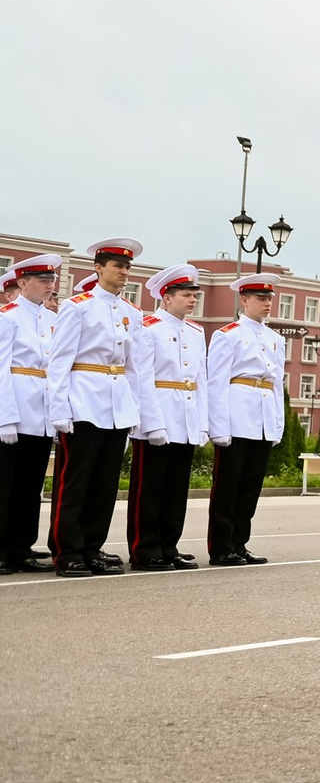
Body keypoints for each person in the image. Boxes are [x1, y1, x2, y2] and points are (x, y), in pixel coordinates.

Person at [46, 239, 147, 576]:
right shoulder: (78, 306)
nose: (124, 272)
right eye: (117, 266)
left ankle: (92, 547)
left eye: (127, 267)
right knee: (75, 480)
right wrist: (59, 409)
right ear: (99, 268)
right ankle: (67, 550)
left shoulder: (132, 313)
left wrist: (136, 408)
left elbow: (134, 367)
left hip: (117, 402)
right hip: (84, 400)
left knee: (105, 483)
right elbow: (59, 362)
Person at [125, 265, 207, 571]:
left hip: (184, 417)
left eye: (194, 295)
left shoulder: (196, 332)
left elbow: (202, 381)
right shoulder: (149, 327)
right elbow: (142, 378)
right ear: (166, 297)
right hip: (158, 415)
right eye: (185, 295)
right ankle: (144, 549)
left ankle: (168, 545)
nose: (192, 300)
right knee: (150, 487)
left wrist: (202, 424)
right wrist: (152, 423)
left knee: (176, 487)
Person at [203, 272, 286, 566]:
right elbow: (217, 382)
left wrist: (277, 425)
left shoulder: (275, 339)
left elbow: (277, 385)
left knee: (250, 486)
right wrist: (219, 426)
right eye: (261, 299)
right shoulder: (229, 335)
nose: (267, 304)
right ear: (244, 300)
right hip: (237, 416)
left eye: (269, 299)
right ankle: (221, 546)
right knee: (228, 486)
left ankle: (239, 542)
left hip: (261, 418)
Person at [0, 257, 61, 573]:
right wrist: (4, 417)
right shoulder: (7, 317)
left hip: (42, 411)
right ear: (22, 283)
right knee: (3, 484)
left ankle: (20, 548)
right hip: (15, 410)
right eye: (41, 279)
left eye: (51, 280)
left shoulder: (53, 320)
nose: (49, 285)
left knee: (30, 485)